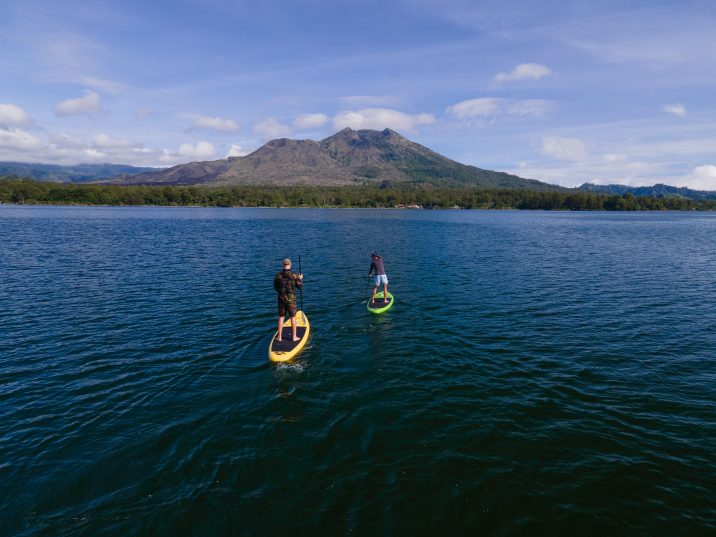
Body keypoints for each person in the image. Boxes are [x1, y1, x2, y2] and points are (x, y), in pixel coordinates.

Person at [274, 258, 303, 342]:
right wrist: (300, 279)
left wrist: (281, 293)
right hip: (291, 300)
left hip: (281, 299)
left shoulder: (278, 275)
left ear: (283, 265)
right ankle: (294, 337)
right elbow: (300, 287)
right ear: (290, 265)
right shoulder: (294, 275)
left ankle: (279, 337)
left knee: (281, 317)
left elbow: (275, 287)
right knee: (293, 318)